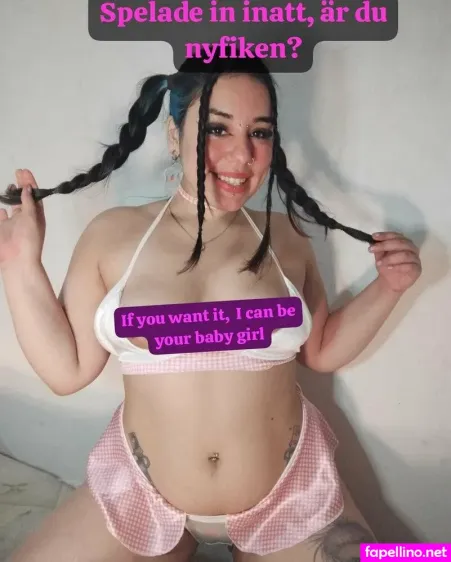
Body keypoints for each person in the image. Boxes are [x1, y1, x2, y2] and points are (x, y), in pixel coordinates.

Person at [0, 52, 421, 562]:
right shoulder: (112, 235)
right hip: (141, 497)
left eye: (260, 133)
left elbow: (321, 351)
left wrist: (389, 286)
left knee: (411, 559)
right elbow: (66, 371)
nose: (242, 155)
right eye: (217, 129)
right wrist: (19, 265)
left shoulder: (287, 238)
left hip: (290, 498)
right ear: (173, 135)